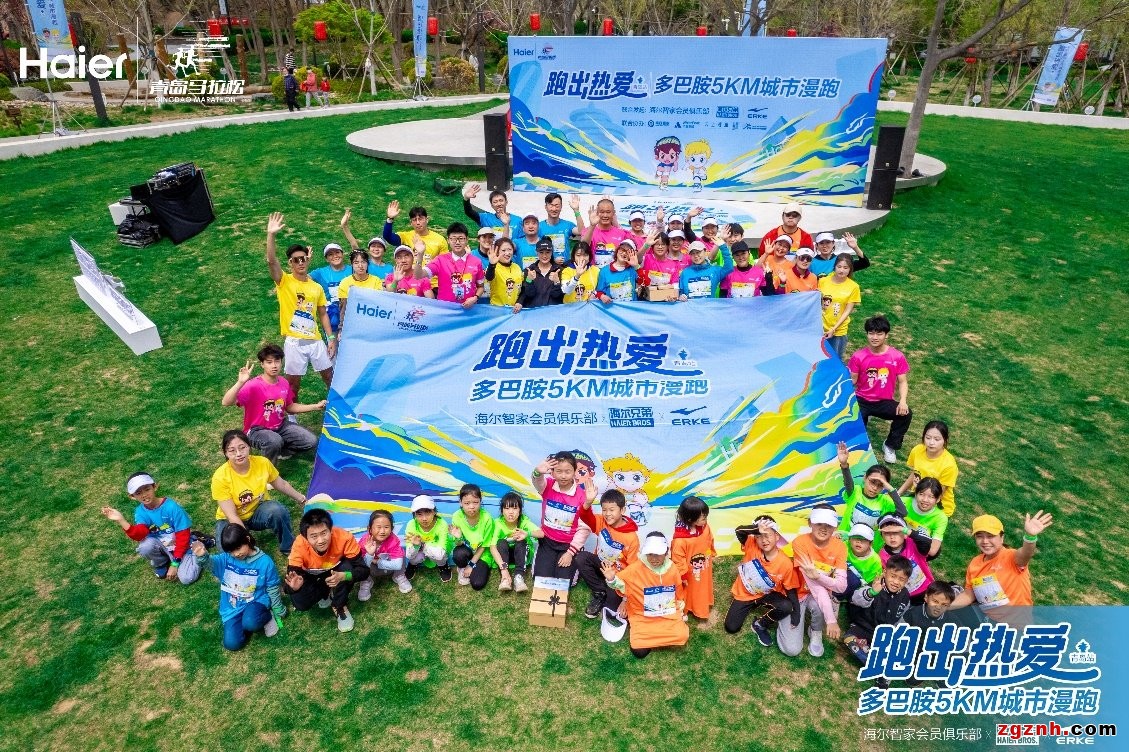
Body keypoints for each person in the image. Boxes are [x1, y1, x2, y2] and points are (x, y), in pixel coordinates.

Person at [265, 213, 335, 398]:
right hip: (294, 342)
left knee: (330, 377)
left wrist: (331, 338)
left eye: (303, 258)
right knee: (293, 384)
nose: (301, 262)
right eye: (296, 260)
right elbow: (271, 261)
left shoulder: (316, 287)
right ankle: (290, 411)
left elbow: (322, 313)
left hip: (315, 340)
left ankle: (337, 408)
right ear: (290, 263)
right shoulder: (284, 281)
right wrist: (271, 235)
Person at [221, 344, 324, 465]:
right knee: (274, 441)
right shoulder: (253, 385)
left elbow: (290, 407)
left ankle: (282, 451)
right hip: (256, 430)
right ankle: (269, 471)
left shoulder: (284, 382)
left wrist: (315, 406)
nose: (274, 365)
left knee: (311, 441)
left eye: (277, 361)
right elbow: (226, 402)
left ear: (281, 362)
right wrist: (240, 382)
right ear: (262, 364)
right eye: (269, 362)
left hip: (280, 426)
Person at [99, 471, 204, 584]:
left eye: (147, 489)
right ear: (132, 496)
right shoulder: (140, 512)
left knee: (187, 578)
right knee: (145, 546)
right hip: (164, 546)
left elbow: (182, 537)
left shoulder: (171, 507)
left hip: (182, 545)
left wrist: (175, 564)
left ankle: (198, 544)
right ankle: (161, 563)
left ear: (155, 487)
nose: (144, 495)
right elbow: (140, 534)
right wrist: (121, 520)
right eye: (138, 493)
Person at [211, 429, 306, 554]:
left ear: (249, 447)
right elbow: (232, 516)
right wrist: (247, 540)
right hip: (229, 519)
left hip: (257, 510)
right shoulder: (220, 477)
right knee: (227, 551)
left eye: (242, 448)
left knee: (278, 511)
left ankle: (288, 548)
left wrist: (302, 499)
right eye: (232, 450)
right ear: (226, 453)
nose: (238, 454)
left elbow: (281, 484)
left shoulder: (262, 463)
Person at [193, 525, 286, 651]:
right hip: (232, 608)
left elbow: (272, 587)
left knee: (251, 622)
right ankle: (245, 623)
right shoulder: (226, 559)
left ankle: (267, 616)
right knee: (231, 644)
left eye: (238, 548)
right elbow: (210, 564)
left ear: (247, 539)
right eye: (231, 551)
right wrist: (202, 556)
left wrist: (278, 608)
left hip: (256, 601)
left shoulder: (265, 562)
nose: (236, 554)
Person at [603, 532, 690, 659]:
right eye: (650, 554)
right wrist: (611, 579)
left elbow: (678, 589)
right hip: (643, 616)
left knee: (682, 635)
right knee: (639, 651)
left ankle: (655, 639)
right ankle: (657, 638)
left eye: (658, 554)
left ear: (666, 552)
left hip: (667, 615)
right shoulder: (635, 568)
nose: (654, 558)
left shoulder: (672, 569)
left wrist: (680, 606)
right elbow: (621, 584)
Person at [950, 511, 1053, 613]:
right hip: (987, 619)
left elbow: (1026, 554)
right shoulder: (975, 563)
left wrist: (1030, 537)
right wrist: (945, 607)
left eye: (990, 536)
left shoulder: (1011, 557)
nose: (985, 541)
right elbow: (969, 594)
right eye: (979, 536)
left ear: (1002, 538)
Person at [777, 505, 846, 657]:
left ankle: (815, 630)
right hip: (797, 593)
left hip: (821, 594)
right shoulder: (799, 543)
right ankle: (785, 617)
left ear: (836, 527)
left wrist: (818, 577)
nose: (823, 528)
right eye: (819, 523)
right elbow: (815, 586)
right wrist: (831, 619)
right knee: (791, 649)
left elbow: (841, 587)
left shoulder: (841, 547)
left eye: (828, 525)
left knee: (822, 604)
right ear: (810, 523)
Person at [284, 508, 368, 632]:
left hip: (337, 571)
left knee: (347, 568)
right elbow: (288, 585)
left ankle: (339, 605)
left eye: (324, 533)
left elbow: (364, 571)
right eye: (314, 536)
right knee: (301, 604)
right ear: (305, 537)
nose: (321, 540)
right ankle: (325, 592)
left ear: (331, 530)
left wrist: (344, 576)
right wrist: (294, 588)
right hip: (311, 575)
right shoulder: (299, 545)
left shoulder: (344, 537)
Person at [725, 516, 799, 646]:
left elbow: (791, 589)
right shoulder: (751, 544)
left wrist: (796, 613)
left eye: (768, 535)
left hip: (766, 594)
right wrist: (755, 529)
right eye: (759, 536)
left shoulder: (785, 563)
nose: (764, 540)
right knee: (731, 627)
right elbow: (739, 531)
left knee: (786, 606)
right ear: (754, 538)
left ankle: (760, 624)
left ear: (777, 536)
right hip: (745, 593)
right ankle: (748, 605)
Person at [848, 314, 912, 463]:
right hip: (862, 400)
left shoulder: (897, 356)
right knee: (856, 430)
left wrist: (903, 401)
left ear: (886, 335)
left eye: (879, 333)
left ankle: (890, 445)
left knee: (906, 414)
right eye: (871, 333)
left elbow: (903, 382)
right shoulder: (858, 357)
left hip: (884, 402)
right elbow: (852, 380)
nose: (874, 337)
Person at [843, 554, 912, 684]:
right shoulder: (875, 585)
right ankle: (877, 666)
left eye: (902, 579)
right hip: (862, 628)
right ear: (885, 572)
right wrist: (872, 592)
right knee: (849, 639)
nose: (896, 582)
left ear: (907, 581)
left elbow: (900, 619)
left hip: (883, 634)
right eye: (893, 576)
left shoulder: (905, 596)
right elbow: (855, 599)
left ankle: (882, 669)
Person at [530, 451, 596, 580]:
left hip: (568, 545)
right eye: (559, 471)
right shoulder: (547, 485)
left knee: (564, 581)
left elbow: (585, 528)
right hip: (547, 541)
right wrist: (537, 472)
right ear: (553, 472)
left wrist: (570, 553)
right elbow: (538, 481)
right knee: (541, 579)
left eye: (568, 471)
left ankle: (575, 554)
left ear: (574, 472)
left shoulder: (582, 496)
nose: (563, 476)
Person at [575, 489, 640, 618]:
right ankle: (599, 591)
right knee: (581, 558)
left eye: (612, 510)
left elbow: (633, 570)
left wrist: (625, 599)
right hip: (601, 564)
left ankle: (608, 588)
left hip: (616, 576)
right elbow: (584, 516)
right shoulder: (601, 521)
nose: (607, 514)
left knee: (611, 611)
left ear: (622, 510)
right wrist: (588, 501)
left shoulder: (632, 538)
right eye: (604, 510)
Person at [835, 442, 907, 533]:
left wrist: (890, 488)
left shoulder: (885, 501)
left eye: (880, 485)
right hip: (844, 539)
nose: (875, 488)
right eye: (872, 482)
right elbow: (848, 483)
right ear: (865, 477)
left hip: (869, 542)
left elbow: (903, 512)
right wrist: (844, 465)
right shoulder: (855, 491)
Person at [414, 223, 485, 307]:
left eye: (461, 238)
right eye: (453, 239)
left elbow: (481, 286)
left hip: (468, 310)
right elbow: (418, 275)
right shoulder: (440, 260)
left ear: (467, 240)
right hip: (445, 310)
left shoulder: (476, 262)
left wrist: (475, 298)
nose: (457, 242)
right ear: (448, 240)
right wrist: (420, 254)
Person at [900, 420, 960, 517]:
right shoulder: (917, 450)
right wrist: (898, 493)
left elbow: (939, 494)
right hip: (918, 497)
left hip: (937, 504)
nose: (931, 442)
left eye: (937, 439)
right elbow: (915, 473)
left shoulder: (949, 465)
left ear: (945, 440)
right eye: (928, 438)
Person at [671, 496, 715, 620]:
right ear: (690, 519)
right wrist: (683, 575)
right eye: (703, 518)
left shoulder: (705, 527)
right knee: (693, 590)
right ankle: (691, 607)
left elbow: (709, 539)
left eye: (706, 516)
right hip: (690, 572)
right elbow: (678, 559)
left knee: (704, 585)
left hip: (705, 565)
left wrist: (710, 553)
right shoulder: (680, 540)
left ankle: (705, 601)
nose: (706, 520)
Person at [490, 492, 543, 592]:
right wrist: (504, 569)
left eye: (514, 508)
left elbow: (541, 533)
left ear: (520, 510)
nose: (511, 512)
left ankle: (519, 577)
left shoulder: (524, 521)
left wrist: (527, 533)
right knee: (501, 542)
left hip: (521, 556)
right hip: (505, 558)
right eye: (507, 508)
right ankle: (505, 579)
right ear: (502, 511)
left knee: (521, 541)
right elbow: (492, 547)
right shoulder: (498, 523)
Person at [876, 513, 934, 601]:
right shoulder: (882, 555)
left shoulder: (913, 543)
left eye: (896, 532)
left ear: (904, 533)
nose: (892, 537)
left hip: (928, 588)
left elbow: (927, 540)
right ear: (882, 537)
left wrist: (904, 530)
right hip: (906, 596)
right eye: (887, 533)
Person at [357, 509, 413, 599]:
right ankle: (366, 581)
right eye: (378, 527)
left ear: (392, 529)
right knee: (361, 562)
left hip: (388, 566)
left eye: (386, 527)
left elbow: (398, 565)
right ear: (369, 529)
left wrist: (377, 561)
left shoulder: (394, 540)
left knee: (401, 554)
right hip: (373, 569)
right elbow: (362, 566)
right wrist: (370, 554)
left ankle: (399, 576)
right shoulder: (364, 542)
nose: (382, 531)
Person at [450, 483, 496, 590]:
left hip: (483, 554)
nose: (471, 507)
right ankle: (462, 567)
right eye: (467, 503)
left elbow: (484, 546)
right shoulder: (457, 516)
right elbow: (458, 544)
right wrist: (458, 537)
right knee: (459, 554)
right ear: (460, 502)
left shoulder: (487, 518)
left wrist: (471, 565)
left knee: (477, 584)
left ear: (480, 501)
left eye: (475, 502)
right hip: (466, 551)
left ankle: (473, 565)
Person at [819, 254, 862, 360]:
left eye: (845, 268)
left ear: (850, 269)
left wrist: (834, 329)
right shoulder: (823, 281)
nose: (841, 270)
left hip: (838, 331)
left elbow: (847, 311)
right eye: (839, 267)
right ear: (835, 266)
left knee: (835, 360)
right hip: (819, 328)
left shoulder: (853, 287)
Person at [383, 201, 449, 268]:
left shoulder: (440, 239)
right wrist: (390, 219)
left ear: (427, 220)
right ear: (411, 223)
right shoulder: (405, 236)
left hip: (430, 274)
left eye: (420, 219)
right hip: (410, 274)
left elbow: (444, 263)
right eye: (414, 220)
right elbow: (388, 237)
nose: (418, 223)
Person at [404, 494, 452, 582]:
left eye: (428, 513)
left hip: (436, 550)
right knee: (414, 557)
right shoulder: (411, 525)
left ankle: (443, 566)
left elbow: (440, 554)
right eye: (419, 514)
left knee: (440, 556)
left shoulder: (442, 524)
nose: (424, 519)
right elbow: (409, 555)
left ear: (434, 512)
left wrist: (422, 545)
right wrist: (415, 546)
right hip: (423, 549)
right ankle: (412, 565)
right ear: (414, 514)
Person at [337, 250, 384, 334]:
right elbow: (343, 309)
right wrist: (341, 329)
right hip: (353, 324)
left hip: (372, 323)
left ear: (368, 263)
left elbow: (379, 304)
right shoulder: (345, 283)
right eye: (356, 262)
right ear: (351, 264)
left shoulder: (376, 280)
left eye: (363, 262)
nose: (360, 266)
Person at [902, 477, 948, 560]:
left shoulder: (940, 518)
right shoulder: (903, 503)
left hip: (916, 551)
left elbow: (933, 550)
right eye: (921, 494)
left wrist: (908, 533)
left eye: (931, 497)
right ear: (915, 493)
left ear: (938, 499)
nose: (925, 500)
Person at [340, 208, 394, 279]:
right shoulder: (363, 264)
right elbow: (354, 245)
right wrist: (344, 226)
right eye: (373, 246)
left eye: (379, 246)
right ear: (369, 249)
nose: (376, 249)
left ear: (384, 250)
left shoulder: (390, 268)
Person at [309, 243, 350, 335]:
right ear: (326, 259)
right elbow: (302, 279)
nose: (335, 256)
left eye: (337, 252)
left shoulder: (352, 270)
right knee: (333, 343)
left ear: (342, 254)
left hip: (350, 314)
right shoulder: (320, 272)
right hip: (332, 317)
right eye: (330, 254)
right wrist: (307, 262)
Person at [840, 523, 883, 609]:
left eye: (864, 539)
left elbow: (871, 582)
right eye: (855, 538)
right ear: (849, 539)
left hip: (858, 587)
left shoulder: (875, 561)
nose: (859, 542)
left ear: (870, 543)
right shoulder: (844, 545)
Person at [514, 238, 565, 311]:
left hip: (553, 313)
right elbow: (529, 294)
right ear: (536, 252)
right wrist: (529, 280)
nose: (544, 256)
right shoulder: (529, 270)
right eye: (541, 252)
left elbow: (557, 296)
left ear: (552, 252)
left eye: (547, 252)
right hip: (534, 313)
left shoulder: (559, 270)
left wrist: (556, 283)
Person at [583, 198, 629, 267]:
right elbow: (583, 247)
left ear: (613, 213)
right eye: (602, 212)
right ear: (597, 213)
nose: (605, 215)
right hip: (594, 272)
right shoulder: (588, 230)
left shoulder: (622, 233)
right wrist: (592, 225)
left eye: (608, 212)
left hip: (615, 272)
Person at [595, 239, 641, 304]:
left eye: (628, 252)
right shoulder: (604, 271)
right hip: (612, 309)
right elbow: (599, 292)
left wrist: (636, 266)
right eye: (622, 250)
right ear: (617, 250)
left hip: (631, 309)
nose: (624, 253)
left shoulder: (633, 269)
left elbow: (646, 283)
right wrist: (602, 296)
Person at [540, 192, 584, 259]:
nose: (554, 209)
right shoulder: (539, 227)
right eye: (551, 205)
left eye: (557, 206)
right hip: (546, 265)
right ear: (546, 207)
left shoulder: (567, 225)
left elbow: (581, 231)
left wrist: (576, 210)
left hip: (565, 265)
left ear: (561, 207)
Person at [636, 231, 681, 296]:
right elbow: (636, 260)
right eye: (657, 244)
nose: (660, 247)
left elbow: (675, 287)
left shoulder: (673, 265)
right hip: (645, 300)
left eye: (663, 244)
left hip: (666, 299)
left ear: (668, 246)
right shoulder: (646, 258)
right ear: (652, 246)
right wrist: (646, 245)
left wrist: (674, 297)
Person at [484, 237, 524, 308]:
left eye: (510, 249)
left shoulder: (517, 267)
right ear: (497, 252)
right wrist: (492, 265)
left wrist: (519, 302)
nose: (507, 253)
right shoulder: (493, 267)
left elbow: (522, 288)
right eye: (503, 250)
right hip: (497, 309)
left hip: (514, 310)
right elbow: (489, 277)